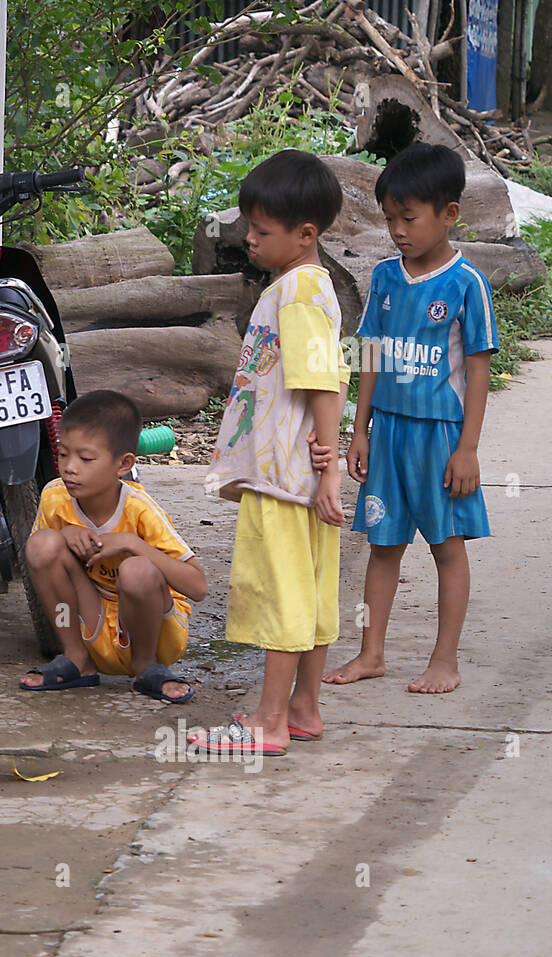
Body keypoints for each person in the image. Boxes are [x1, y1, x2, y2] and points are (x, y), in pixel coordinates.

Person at [324, 142, 496, 695]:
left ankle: (445, 660)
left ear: (449, 214)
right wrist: (359, 430)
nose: (398, 230)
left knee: (447, 549)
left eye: (410, 218)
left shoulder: (467, 284)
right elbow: (367, 352)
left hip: (441, 437)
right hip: (389, 434)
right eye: (390, 218)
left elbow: (477, 372)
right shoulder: (385, 278)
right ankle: (370, 653)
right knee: (382, 547)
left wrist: (467, 449)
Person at [195, 149, 350, 757]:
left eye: (262, 231)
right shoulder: (305, 285)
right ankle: (303, 708)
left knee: (281, 590)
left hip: (283, 471)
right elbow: (330, 373)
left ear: (305, 234)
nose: (249, 240)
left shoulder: (299, 292)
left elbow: (321, 377)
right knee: (309, 589)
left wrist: (328, 461)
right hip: (298, 469)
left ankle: (268, 723)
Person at [19, 390, 207, 702]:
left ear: (123, 464)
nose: (70, 467)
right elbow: (39, 563)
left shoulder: (140, 509)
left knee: (137, 569)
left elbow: (198, 587)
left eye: (86, 458)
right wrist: (65, 534)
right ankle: (77, 658)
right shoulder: (55, 497)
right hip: (91, 619)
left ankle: (146, 668)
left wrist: (133, 544)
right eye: (63, 454)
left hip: (155, 631)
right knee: (41, 545)